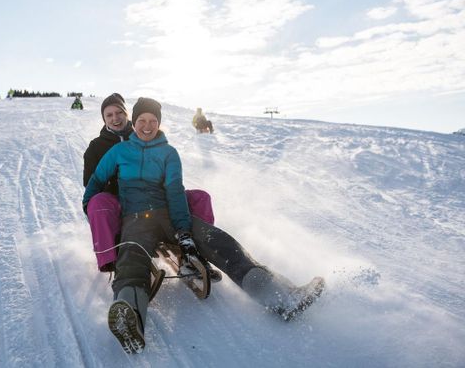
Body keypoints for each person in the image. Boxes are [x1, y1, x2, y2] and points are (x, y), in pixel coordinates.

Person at [83, 97, 324, 354]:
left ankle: (281, 297)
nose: (146, 125)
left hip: (166, 213)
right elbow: (95, 182)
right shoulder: (118, 152)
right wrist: (92, 208)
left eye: (152, 121)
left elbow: (175, 192)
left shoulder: (168, 153)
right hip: (134, 218)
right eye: (142, 120)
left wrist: (184, 232)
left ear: (158, 124)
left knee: (220, 241)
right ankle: (130, 319)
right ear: (135, 121)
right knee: (131, 259)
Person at [83, 93, 215, 272]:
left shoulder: (144, 129)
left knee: (200, 197)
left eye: (119, 112)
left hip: (158, 197)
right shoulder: (96, 146)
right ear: (104, 119)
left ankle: (196, 251)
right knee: (97, 202)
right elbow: (91, 181)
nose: (115, 118)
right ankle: (112, 260)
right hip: (122, 202)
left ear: (128, 114)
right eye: (109, 115)